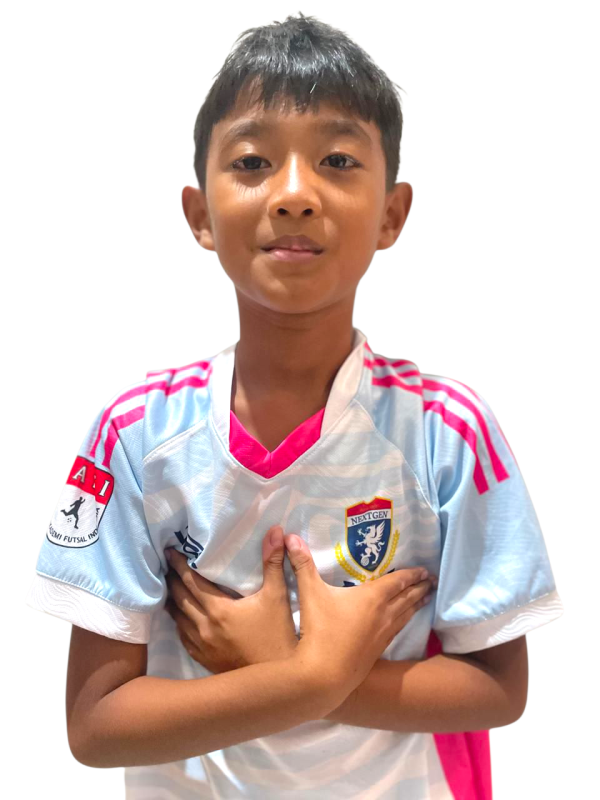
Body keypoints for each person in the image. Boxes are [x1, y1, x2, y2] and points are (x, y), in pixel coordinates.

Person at [27, 12, 564, 799]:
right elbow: (95, 725)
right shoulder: (135, 436)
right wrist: (310, 676)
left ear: (392, 213)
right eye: (253, 162)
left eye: (338, 161)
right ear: (199, 214)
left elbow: (496, 687)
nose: (294, 195)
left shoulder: (447, 433)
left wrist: (282, 668)